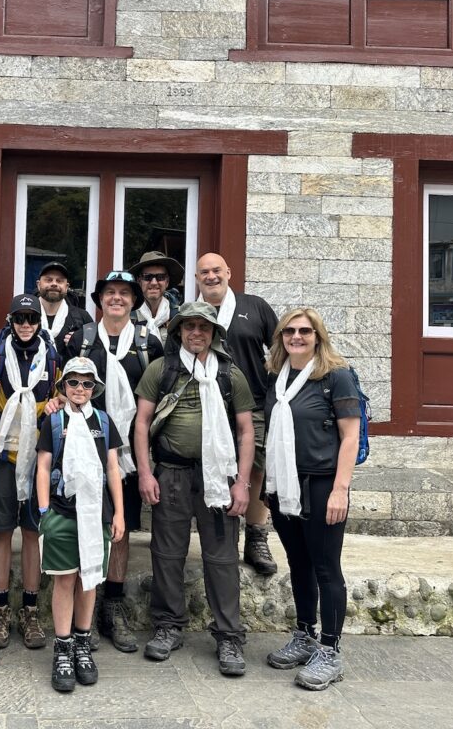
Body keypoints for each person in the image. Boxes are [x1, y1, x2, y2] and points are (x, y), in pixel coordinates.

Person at [133, 302, 255, 674]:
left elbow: (247, 431)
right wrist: (144, 473)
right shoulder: (161, 370)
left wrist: (243, 483)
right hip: (171, 473)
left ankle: (229, 636)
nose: (196, 333)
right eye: (189, 327)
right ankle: (168, 625)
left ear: (214, 332)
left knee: (222, 557)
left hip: (218, 476)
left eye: (204, 327)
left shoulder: (229, 375)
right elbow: (141, 424)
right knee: (167, 552)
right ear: (179, 332)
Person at [61, 270, 163, 652]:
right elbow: (63, 387)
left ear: (135, 300)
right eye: (109, 292)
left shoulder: (148, 343)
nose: (116, 298)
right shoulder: (82, 341)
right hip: (83, 452)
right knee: (81, 522)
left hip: (128, 455)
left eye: (124, 293)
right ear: (99, 299)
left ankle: (113, 606)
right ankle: (82, 612)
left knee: (121, 529)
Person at [263, 307, 360, 691]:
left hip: (322, 485)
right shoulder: (276, 377)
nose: (296, 337)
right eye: (289, 331)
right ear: (281, 337)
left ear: (318, 336)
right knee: (299, 562)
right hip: (284, 486)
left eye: (305, 331)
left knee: (325, 566)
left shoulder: (336, 377)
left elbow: (350, 437)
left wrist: (341, 489)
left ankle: (330, 650)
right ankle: (304, 635)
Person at [35, 357, 125, 692]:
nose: (80, 389)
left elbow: (113, 469)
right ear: (63, 386)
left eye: (87, 384)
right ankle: (63, 646)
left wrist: (119, 513)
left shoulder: (102, 421)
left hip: (95, 513)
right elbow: (43, 467)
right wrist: (44, 511)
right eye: (73, 382)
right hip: (61, 511)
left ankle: (83, 642)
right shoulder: (54, 422)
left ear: (95, 388)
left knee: (89, 581)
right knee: (64, 581)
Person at [0, 294, 61, 650]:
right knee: (0, 531)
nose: (26, 324)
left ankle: (30, 610)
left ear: (39, 322)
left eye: (32, 318)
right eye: (19, 318)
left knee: (31, 533)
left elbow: (64, 395)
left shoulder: (53, 357)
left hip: (38, 454)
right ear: (10, 320)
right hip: (2, 455)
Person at [197, 252, 280, 575]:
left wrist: (276, 390)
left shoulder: (254, 307)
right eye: (204, 272)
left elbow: (281, 349)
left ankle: (257, 537)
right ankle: (222, 538)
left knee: (256, 468)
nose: (211, 276)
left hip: (253, 403)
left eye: (217, 270)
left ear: (228, 272)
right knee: (215, 469)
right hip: (206, 403)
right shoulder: (191, 314)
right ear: (197, 279)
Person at [36, 261, 93, 351]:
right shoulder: (24, 315)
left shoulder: (83, 318)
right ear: (39, 285)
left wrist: (81, 344)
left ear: (66, 287)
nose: (54, 284)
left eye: (59, 281)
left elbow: (95, 353)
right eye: (48, 280)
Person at [128, 250, 183, 344]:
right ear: (139, 281)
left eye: (160, 277)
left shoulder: (179, 317)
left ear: (167, 282)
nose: (154, 282)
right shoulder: (126, 316)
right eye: (147, 277)